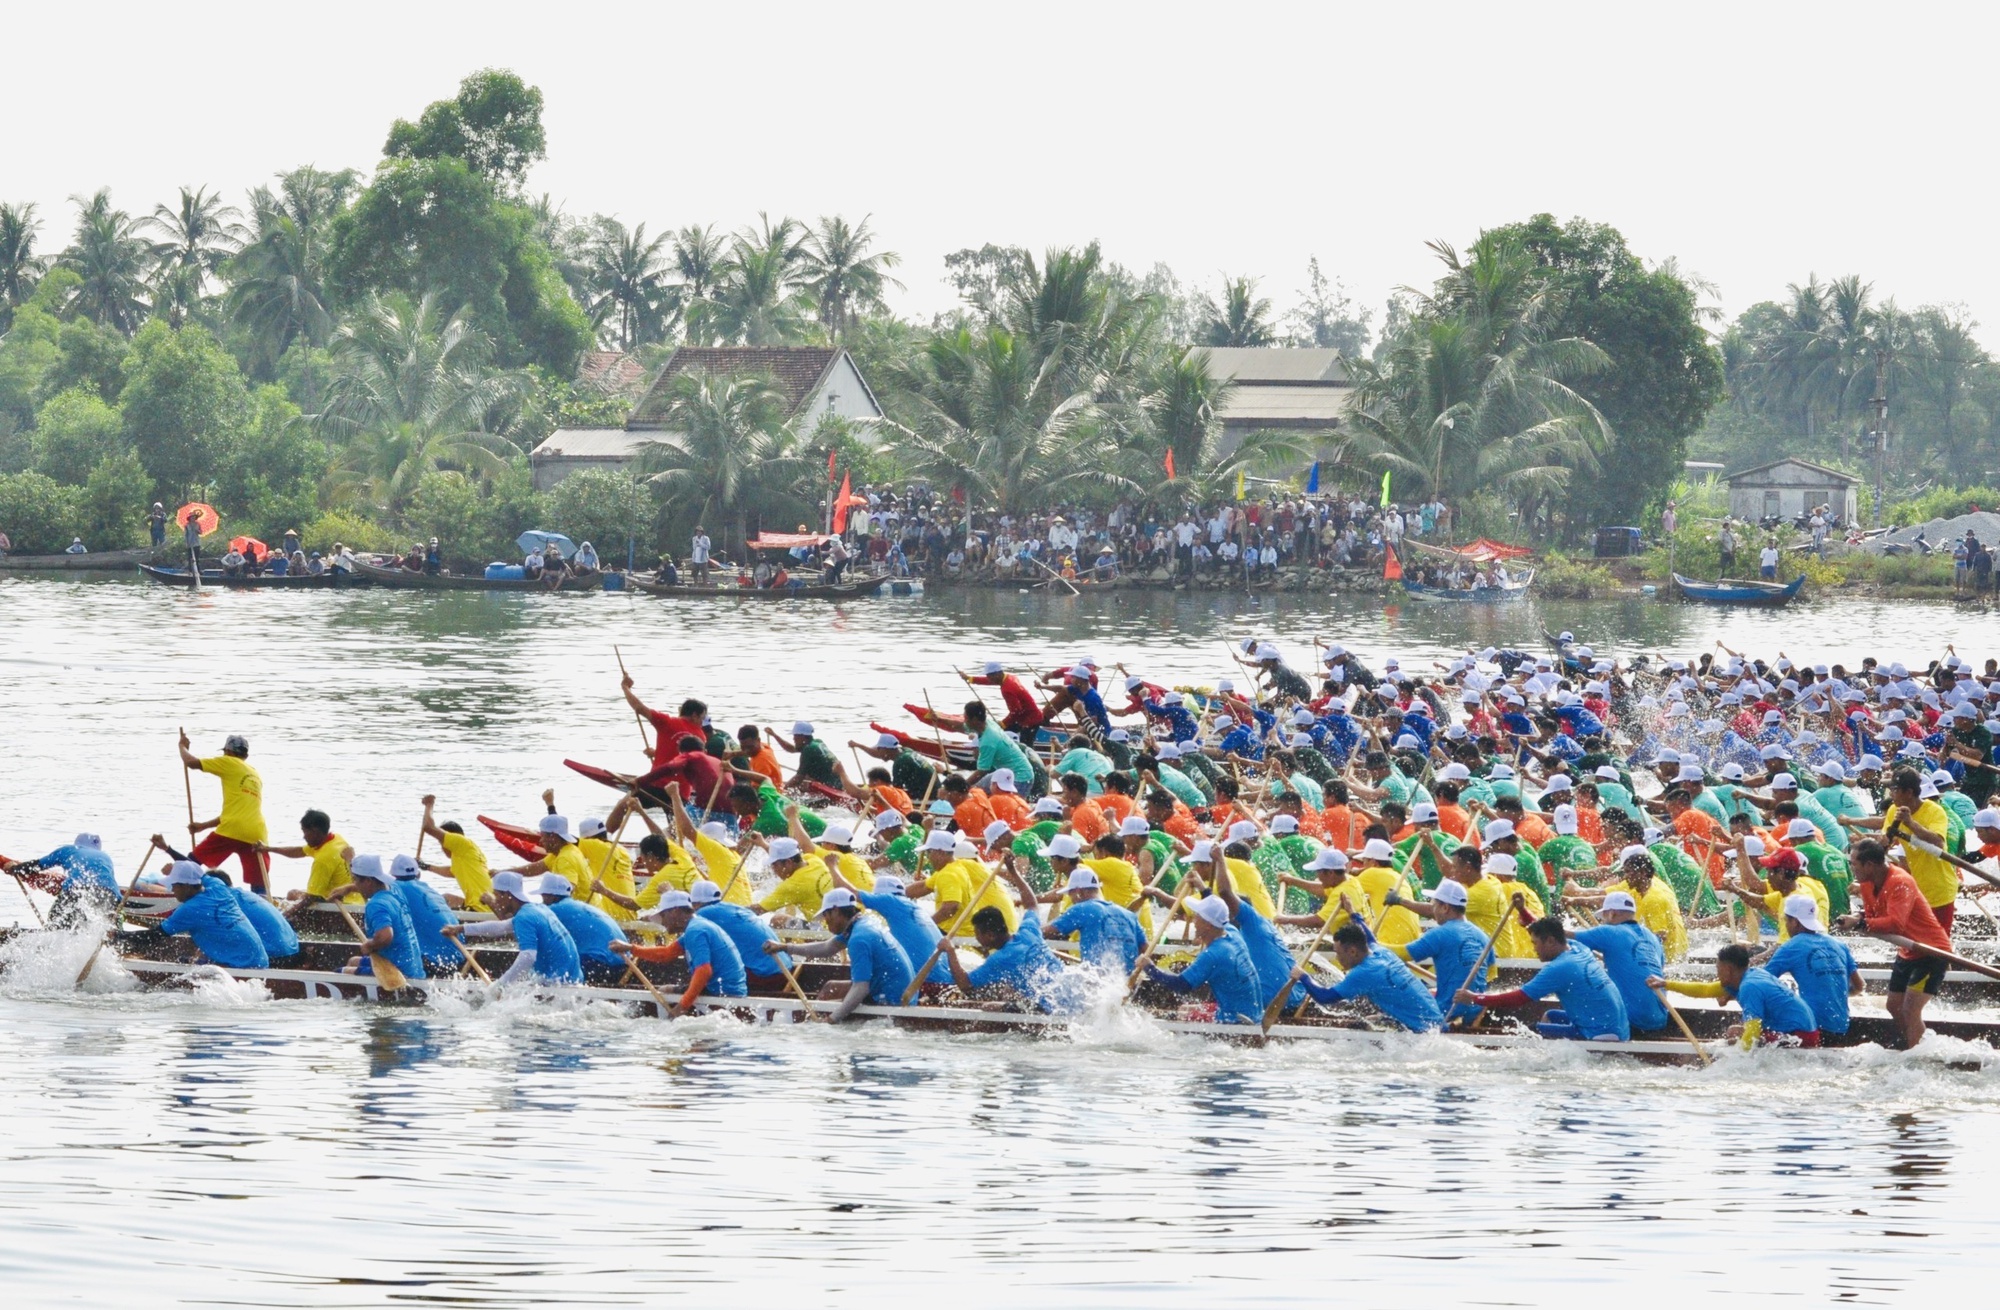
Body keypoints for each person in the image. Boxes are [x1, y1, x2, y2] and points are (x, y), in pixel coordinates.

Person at [1836, 837, 1952, 1049]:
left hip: (1932, 952)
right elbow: (1874, 917)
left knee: (1910, 1009)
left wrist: (1860, 922)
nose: (1851, 867)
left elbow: (1895, 924)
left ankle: (1916, 1055)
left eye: (1853, 862)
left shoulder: (1900, 881)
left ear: (1869, 865)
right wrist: (1858, 919)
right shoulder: (1866, 883)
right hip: (1907, 950)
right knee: (1893, 1006)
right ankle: (1910, 1044)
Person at [1456, 917, 1630, 1042]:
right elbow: (1549, 927)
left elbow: (1518, 999)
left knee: (1531, 1030)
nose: (1534, 949)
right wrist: (1524, 912)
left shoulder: (1559, 968)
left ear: (1551, 942)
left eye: (1535, 943)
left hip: (1601, 1034)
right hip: (1618, 1027)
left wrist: (1474, 998)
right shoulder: (1578, 948)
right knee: (1549, 1015)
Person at [939, 858, 1072, 1012]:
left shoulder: (1000, 958)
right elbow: (1031, 903)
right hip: (1066, 993)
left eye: (977, 934)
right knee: (1005, 991)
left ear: (990, 935)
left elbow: (965, 985)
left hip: (1047, 1008)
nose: (976, 938)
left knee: (990, 1007)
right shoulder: (1029, 931)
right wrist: (1013, 872)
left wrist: (950, 951)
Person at [773, 888, 915, 1021]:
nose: (825, 922)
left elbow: (861, 988)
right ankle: (813, 1021)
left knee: (836, 1007)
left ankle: (814, 1027)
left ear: (835, 910)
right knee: (831, 988)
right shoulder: (863, 922)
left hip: (893, 1001)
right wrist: (785, 947)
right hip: (902, 993)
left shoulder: (859, 938)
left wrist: (833, 1019)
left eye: (825, 916)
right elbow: (828, 947)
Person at [1656, 942, 1819, 1048]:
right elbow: (1704, 990)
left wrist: (1737, 1062)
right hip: (1806, 1032)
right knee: (1736, 1031)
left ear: (1728, 970)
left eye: (1718, 970)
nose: (1717, 974)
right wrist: (1666, 984)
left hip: (1801, 1037)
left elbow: (1753, 1032)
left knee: (1735, 1034)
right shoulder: (1749, 975)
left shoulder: (1749, 987)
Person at [611, 889, 748, 1014]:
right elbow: (666, 953)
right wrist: (631, 948)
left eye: (663, 916)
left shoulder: (696, 930)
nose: (662, 923)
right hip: (721, 990)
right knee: (667, 989)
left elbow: (704, 971)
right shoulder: (696, 926)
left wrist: (682, 1007)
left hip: (725, 996)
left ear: (674, 911)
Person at [1140, 892, 1264, 1024]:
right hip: (1252, 1013)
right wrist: (1204, 890)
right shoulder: (1232, 932)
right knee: (1185, 1008)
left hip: (1237, 1021)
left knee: (1182, 1016)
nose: (1193, 921)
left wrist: (1149, 968)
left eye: (1197, 917)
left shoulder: (1214, 954)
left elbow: (1180, 986)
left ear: (1208, 924)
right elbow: (1217, 914)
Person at [1294, 924, 1445, 1032]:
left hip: (1424, 1032)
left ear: (1353, 951)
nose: (1337, 958)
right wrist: (1354, 914)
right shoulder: (1381, 952)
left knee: (1359, 1027)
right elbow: (1371, 938)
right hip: (1437, 1020)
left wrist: (1303, 976)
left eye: (1338, 953)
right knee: (1369, 1020)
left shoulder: (1363, 972)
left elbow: (1324, 997)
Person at [445, 871, 584, 985]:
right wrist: (460, 929)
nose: (496, 900)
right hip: (574, 978)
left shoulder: (525, 917)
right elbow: (501, 927)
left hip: (559, 984)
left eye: (497, 895)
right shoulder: (537, 908)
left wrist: (500, 985)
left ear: (508, 895)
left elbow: (528, 956)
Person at [178, 731, 270, 892]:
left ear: (229, 752)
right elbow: (238, 812)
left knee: (191, 863)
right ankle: (262, 907)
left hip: (232, 828)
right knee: (259, 884)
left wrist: (182, 747)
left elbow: (191, 763)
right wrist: (204, 826)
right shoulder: (254, 774)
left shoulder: (229, 761)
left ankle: (184, 896)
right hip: (257, 833)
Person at [1761, 892, 1862, 1039]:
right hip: (1841, 1026)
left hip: (1811, 1027)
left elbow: (1762, 983)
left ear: (1795, 922)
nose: (1786, 925)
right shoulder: (1839, 944)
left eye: (1786, 921)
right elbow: (1859, 986)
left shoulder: (1791, 946)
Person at [1571, 890, 1670, 1033]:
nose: (1603, 921)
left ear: (1611, 914)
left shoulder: (1609, 932)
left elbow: (1560, 939)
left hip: (1632, 1020)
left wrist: (1531, 919)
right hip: (1659, 1019)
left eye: (1604, 916)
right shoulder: (1653, 938)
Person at [146, 861, 268, 968]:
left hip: (243, 964)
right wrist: (174, 858)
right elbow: (200, 874)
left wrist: (126, 937)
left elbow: (155, 935)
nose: (172, 890)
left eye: (174, 885)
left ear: (187, 886)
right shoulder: (218, 886)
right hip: (261, 960)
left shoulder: (190, 909)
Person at [340, 855, 425, 982]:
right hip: (414, 968)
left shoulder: (376, 904)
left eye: (356, 880)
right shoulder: (395, 892)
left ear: (368, 881)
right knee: (353, 961)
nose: (355, 885)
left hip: (399, 972)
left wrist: (370, 944)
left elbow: (385, 936)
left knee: (340, 972)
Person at [12, 833, 119, 928]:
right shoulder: (106, 857)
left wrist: (16, 868)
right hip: (109, 894)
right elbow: (112, 884)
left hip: (77, 889)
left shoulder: (70, 850)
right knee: (100, 926)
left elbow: (38, 865)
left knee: (56, 920)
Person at [537, 873, 628, 981]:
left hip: (603, 963)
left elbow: (524, 925)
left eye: (543, 896)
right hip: (625, 963)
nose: (542, 901)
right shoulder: (579, 906)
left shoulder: (554, 910)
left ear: (552, 896)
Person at [386, 853, 466, 975]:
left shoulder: (395, 888)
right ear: (418, 874)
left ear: (392, 875)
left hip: (434, 962)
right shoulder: (429, 889)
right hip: (460, 957)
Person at [263, 809, 359, 907]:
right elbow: (299, 851)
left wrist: (285, 915)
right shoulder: (336, 838)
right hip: (357, 899)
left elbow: (311, 898)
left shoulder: (323, 859)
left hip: (340, 904)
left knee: (293, 896)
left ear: (315, 832)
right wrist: (267, 849)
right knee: (294, 894)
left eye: (305, 832)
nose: (304, 837)